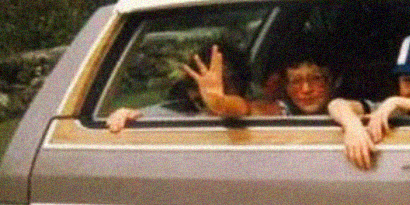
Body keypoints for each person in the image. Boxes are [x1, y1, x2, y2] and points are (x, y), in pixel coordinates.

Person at [329, 34, 410, 170]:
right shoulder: (393, 110)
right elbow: (336, 104)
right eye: (409, 80)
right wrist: (352, 126)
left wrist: (396, 101)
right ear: (398, 82)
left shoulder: (395, 105)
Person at [184, 44, 365, 118]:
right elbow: (245, 108)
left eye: (316, 79)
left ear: (334, 81)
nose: (306, 89)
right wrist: (218, 101)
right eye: (295, 82)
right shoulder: (281, 111)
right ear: (285, 86)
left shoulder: (358, 106)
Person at [106, 42, 249, 132]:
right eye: (197, 85)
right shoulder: (181, 113)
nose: (204, 94)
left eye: (223, 83)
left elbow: (239, 108)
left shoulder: (256, 109)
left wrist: (217, 101)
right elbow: (148, 115)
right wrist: (124, 115)